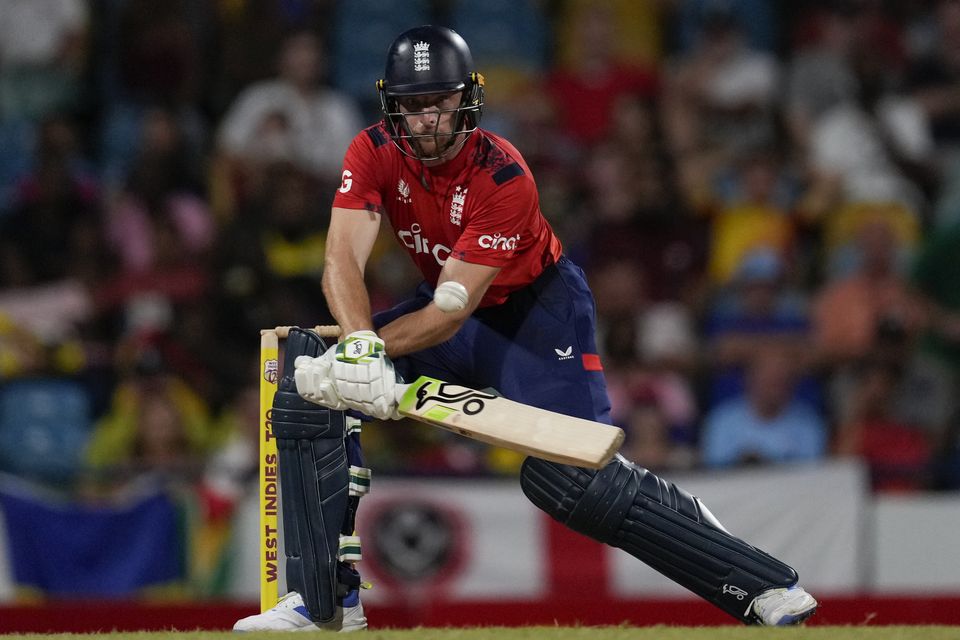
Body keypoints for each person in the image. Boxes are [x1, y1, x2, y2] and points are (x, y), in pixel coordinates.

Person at [233, 26, 817, 632]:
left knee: (570, 482)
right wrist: (356, 348)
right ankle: (325, 602)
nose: (427, 120)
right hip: (447, 307)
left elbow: (453, 311)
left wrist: (371, 353)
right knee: (307, 373)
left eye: (440, 103)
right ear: (391, 104)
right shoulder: (371, 149)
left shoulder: (503, 174)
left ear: (467, 100)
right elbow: (341, 261)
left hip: (534, 315)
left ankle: (760, 582)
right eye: (412, 105)